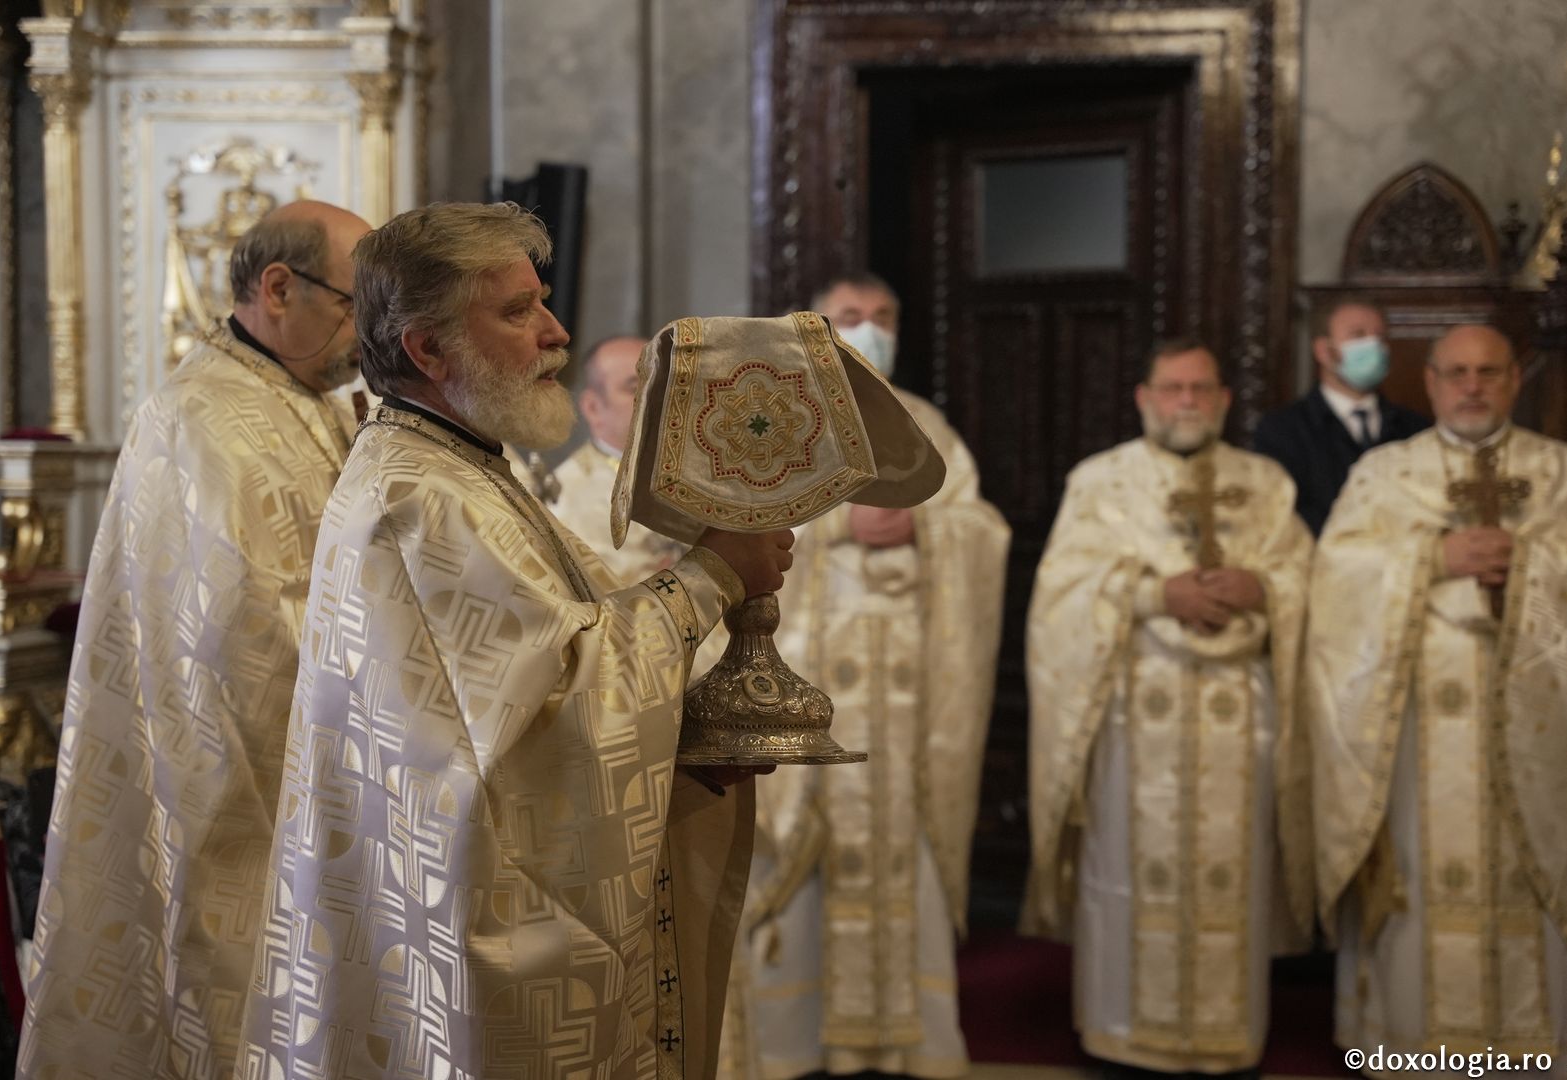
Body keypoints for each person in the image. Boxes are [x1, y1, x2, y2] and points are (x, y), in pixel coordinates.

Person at [234, 202, 793, 1079]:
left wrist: (681, 749)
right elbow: (559, 706)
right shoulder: (419, 498)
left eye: (541, 303)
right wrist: (712, 574)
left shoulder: (457, 467)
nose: (555, 332)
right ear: (427, 348)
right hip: (467, 932)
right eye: (517, 310)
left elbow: (540, 679)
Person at [17, 201, 371, 1079]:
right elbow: (238, 641)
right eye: (353, 305)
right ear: (277, 288)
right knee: (218, 1000)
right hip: (223, 783)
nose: (364, 335)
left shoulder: (300, 398)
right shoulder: (203, 421)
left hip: (295, 773)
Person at [718, 273, 1011, 1080]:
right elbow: (737, 527)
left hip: (910, 700)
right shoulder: (772, 416)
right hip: (807, 681)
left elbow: (979, 527)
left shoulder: (930, 428)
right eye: (851, 317)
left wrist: (926, 528)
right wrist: (844, 521)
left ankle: (900, 1046)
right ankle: (794, 1047)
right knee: (800, 872)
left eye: (883, 316)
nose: (870, 329)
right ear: (814, 330)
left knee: (902, 857)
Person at [1024, 340, 1314, 1077]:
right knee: (1128, 876)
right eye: (1171, 388)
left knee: (1232, 875)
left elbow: (1312, 579)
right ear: (1143, 397)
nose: (1185, 401)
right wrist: (1158, 594)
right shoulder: (1100, 481)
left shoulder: (1266, 482)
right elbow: (1058, 596)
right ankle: (1124, 1034)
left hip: (1238, 725)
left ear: (1221, 400)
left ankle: (1225, 1036)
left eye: (1199, 389)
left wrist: (1263, 588)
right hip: (1131, 724)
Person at [1309, 324, 1567, 1076]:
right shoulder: (1383, 475)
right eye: (1455, 372)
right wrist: (1433, 555)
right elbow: (1335, 584)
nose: (1471, 387)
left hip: (1543, 748)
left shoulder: (1556, 472)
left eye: (1488, 371)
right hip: (1416, 746)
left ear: (1515, 380)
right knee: (1422, 899)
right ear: (1427, 383)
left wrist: (1531, 565)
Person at [1253, 297, 1429, 536]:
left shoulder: (1416, 429)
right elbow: (1284, 516)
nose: (1374, 346)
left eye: (1380, 337)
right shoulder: (1282, 431)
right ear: (1324, 350)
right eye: (1358, 336)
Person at [550, 334, 686, 580]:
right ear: (593, 408)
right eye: (635, 388)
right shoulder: (566, 502)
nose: (656, 398)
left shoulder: (699, 468)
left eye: (663, 383)